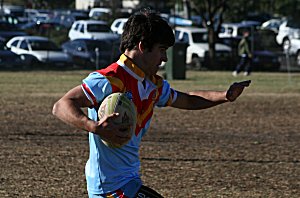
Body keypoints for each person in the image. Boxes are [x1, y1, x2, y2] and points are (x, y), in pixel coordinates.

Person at [52, 10, 251, 198]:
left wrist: (225, 96)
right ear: (142, 46)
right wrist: (93, 126)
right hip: (110, 189)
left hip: (129, 182)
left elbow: (188, 99)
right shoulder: (110, 79)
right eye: (161, 50)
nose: (165, 58)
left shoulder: (152, 84)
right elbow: (61, 105)